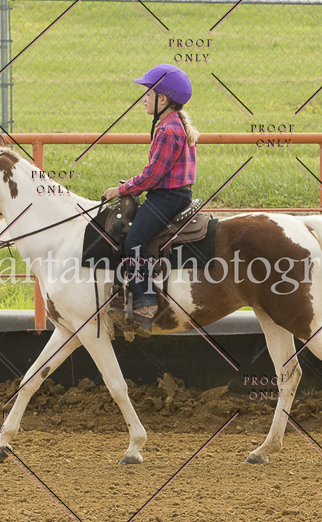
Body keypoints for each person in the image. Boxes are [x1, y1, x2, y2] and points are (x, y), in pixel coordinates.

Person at [103, 64, 200, 337]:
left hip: (168, 196)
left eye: (149, 93)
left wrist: (121, 190)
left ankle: (145, 305)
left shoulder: (168, 130)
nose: (144, 98)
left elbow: (152, 176)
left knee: (134, 241)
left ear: (163, 99)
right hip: (172, 193)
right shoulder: (173, 123)